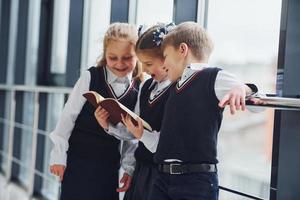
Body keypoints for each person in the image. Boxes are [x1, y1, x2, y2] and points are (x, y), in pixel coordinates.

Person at [122, 21, 259, 200]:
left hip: (195, 183)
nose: (164, 64)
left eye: (166, 56)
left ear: (182, 50)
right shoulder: (173, 88)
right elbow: (162, 144)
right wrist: (142, 134)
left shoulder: (212, 76)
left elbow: (255, 101)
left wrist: (243, 88)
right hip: (163, 179)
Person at [49, 22, 143, 200]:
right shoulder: (90, 77)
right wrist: (58, 156)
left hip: (108, 165)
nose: (119, 64)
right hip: (77, 160)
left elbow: (133, 138)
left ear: (137, 55)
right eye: (113, 57)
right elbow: (67, 118)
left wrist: (129, 169)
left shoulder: (140, 87)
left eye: (127, 58)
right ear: (105, 54)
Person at [94, 23, 175, 200]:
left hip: (160, 175)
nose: (144, 69)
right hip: (141, 171)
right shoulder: (147, 87)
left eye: (148, 64)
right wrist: (108, 125)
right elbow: (133, 130)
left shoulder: (176, 91)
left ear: (166, 59)